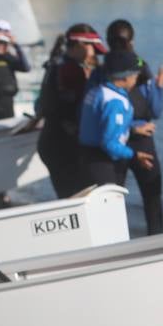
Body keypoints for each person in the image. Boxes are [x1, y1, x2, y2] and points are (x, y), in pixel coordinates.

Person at [92, 19, 163, 234]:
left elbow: (94, 111)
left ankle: (115, 245)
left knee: (112, 200)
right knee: (152, 197)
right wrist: (160, 86)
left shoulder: (99, 72)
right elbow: (155, 110)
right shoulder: (141, 68)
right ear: (133, 42)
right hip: (140, 140)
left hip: (113, 143)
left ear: (108, 42)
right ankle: (159, 246)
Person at [36, 24, 108, 198]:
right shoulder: (71, 70)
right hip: (63, 144)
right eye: (91, 48)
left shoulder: (56, 64)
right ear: (79, 45)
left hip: (51, 139)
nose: (93, 54)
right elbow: (76, 105)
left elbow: (44, 105)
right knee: (76, 199)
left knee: (68, 197)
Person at [78, 49, 156, 188]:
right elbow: (108, 143)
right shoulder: (115, 102)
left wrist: (132, 130)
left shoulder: (96, 91)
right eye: (135, 75)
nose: (136, 79)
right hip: (101, 162)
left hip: (86, 156)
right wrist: (134, 155)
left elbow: (99, 126)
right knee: (110, 206)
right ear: (126, 77)